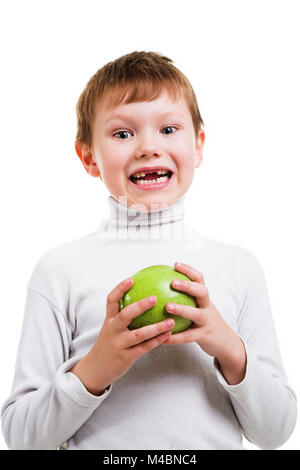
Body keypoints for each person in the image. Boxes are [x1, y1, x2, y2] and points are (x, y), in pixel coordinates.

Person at [1, 51, 297, 450]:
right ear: (89, 157)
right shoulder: (60, 270)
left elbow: (275, 432)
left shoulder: (238, 268)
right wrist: (96, 368)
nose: (148, 147)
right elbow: (21, 438)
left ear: (198, 146)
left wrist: (226, 345)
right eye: (123, 134)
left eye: (169, 129)